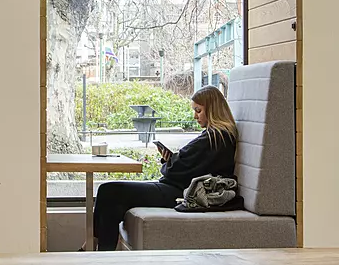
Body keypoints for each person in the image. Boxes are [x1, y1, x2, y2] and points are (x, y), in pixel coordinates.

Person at [91, 86, 237, 250]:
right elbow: (189, 165)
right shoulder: (219, 136)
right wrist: (172, 161)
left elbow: (179, 169)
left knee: (109, 191)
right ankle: (98, 248)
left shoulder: (214, 137)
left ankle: (97, 249)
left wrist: (169, 162)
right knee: (112, 199)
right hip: (177, 188)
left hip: (178, 192)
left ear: (212, 109)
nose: (195, 116)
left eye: (198, 110)